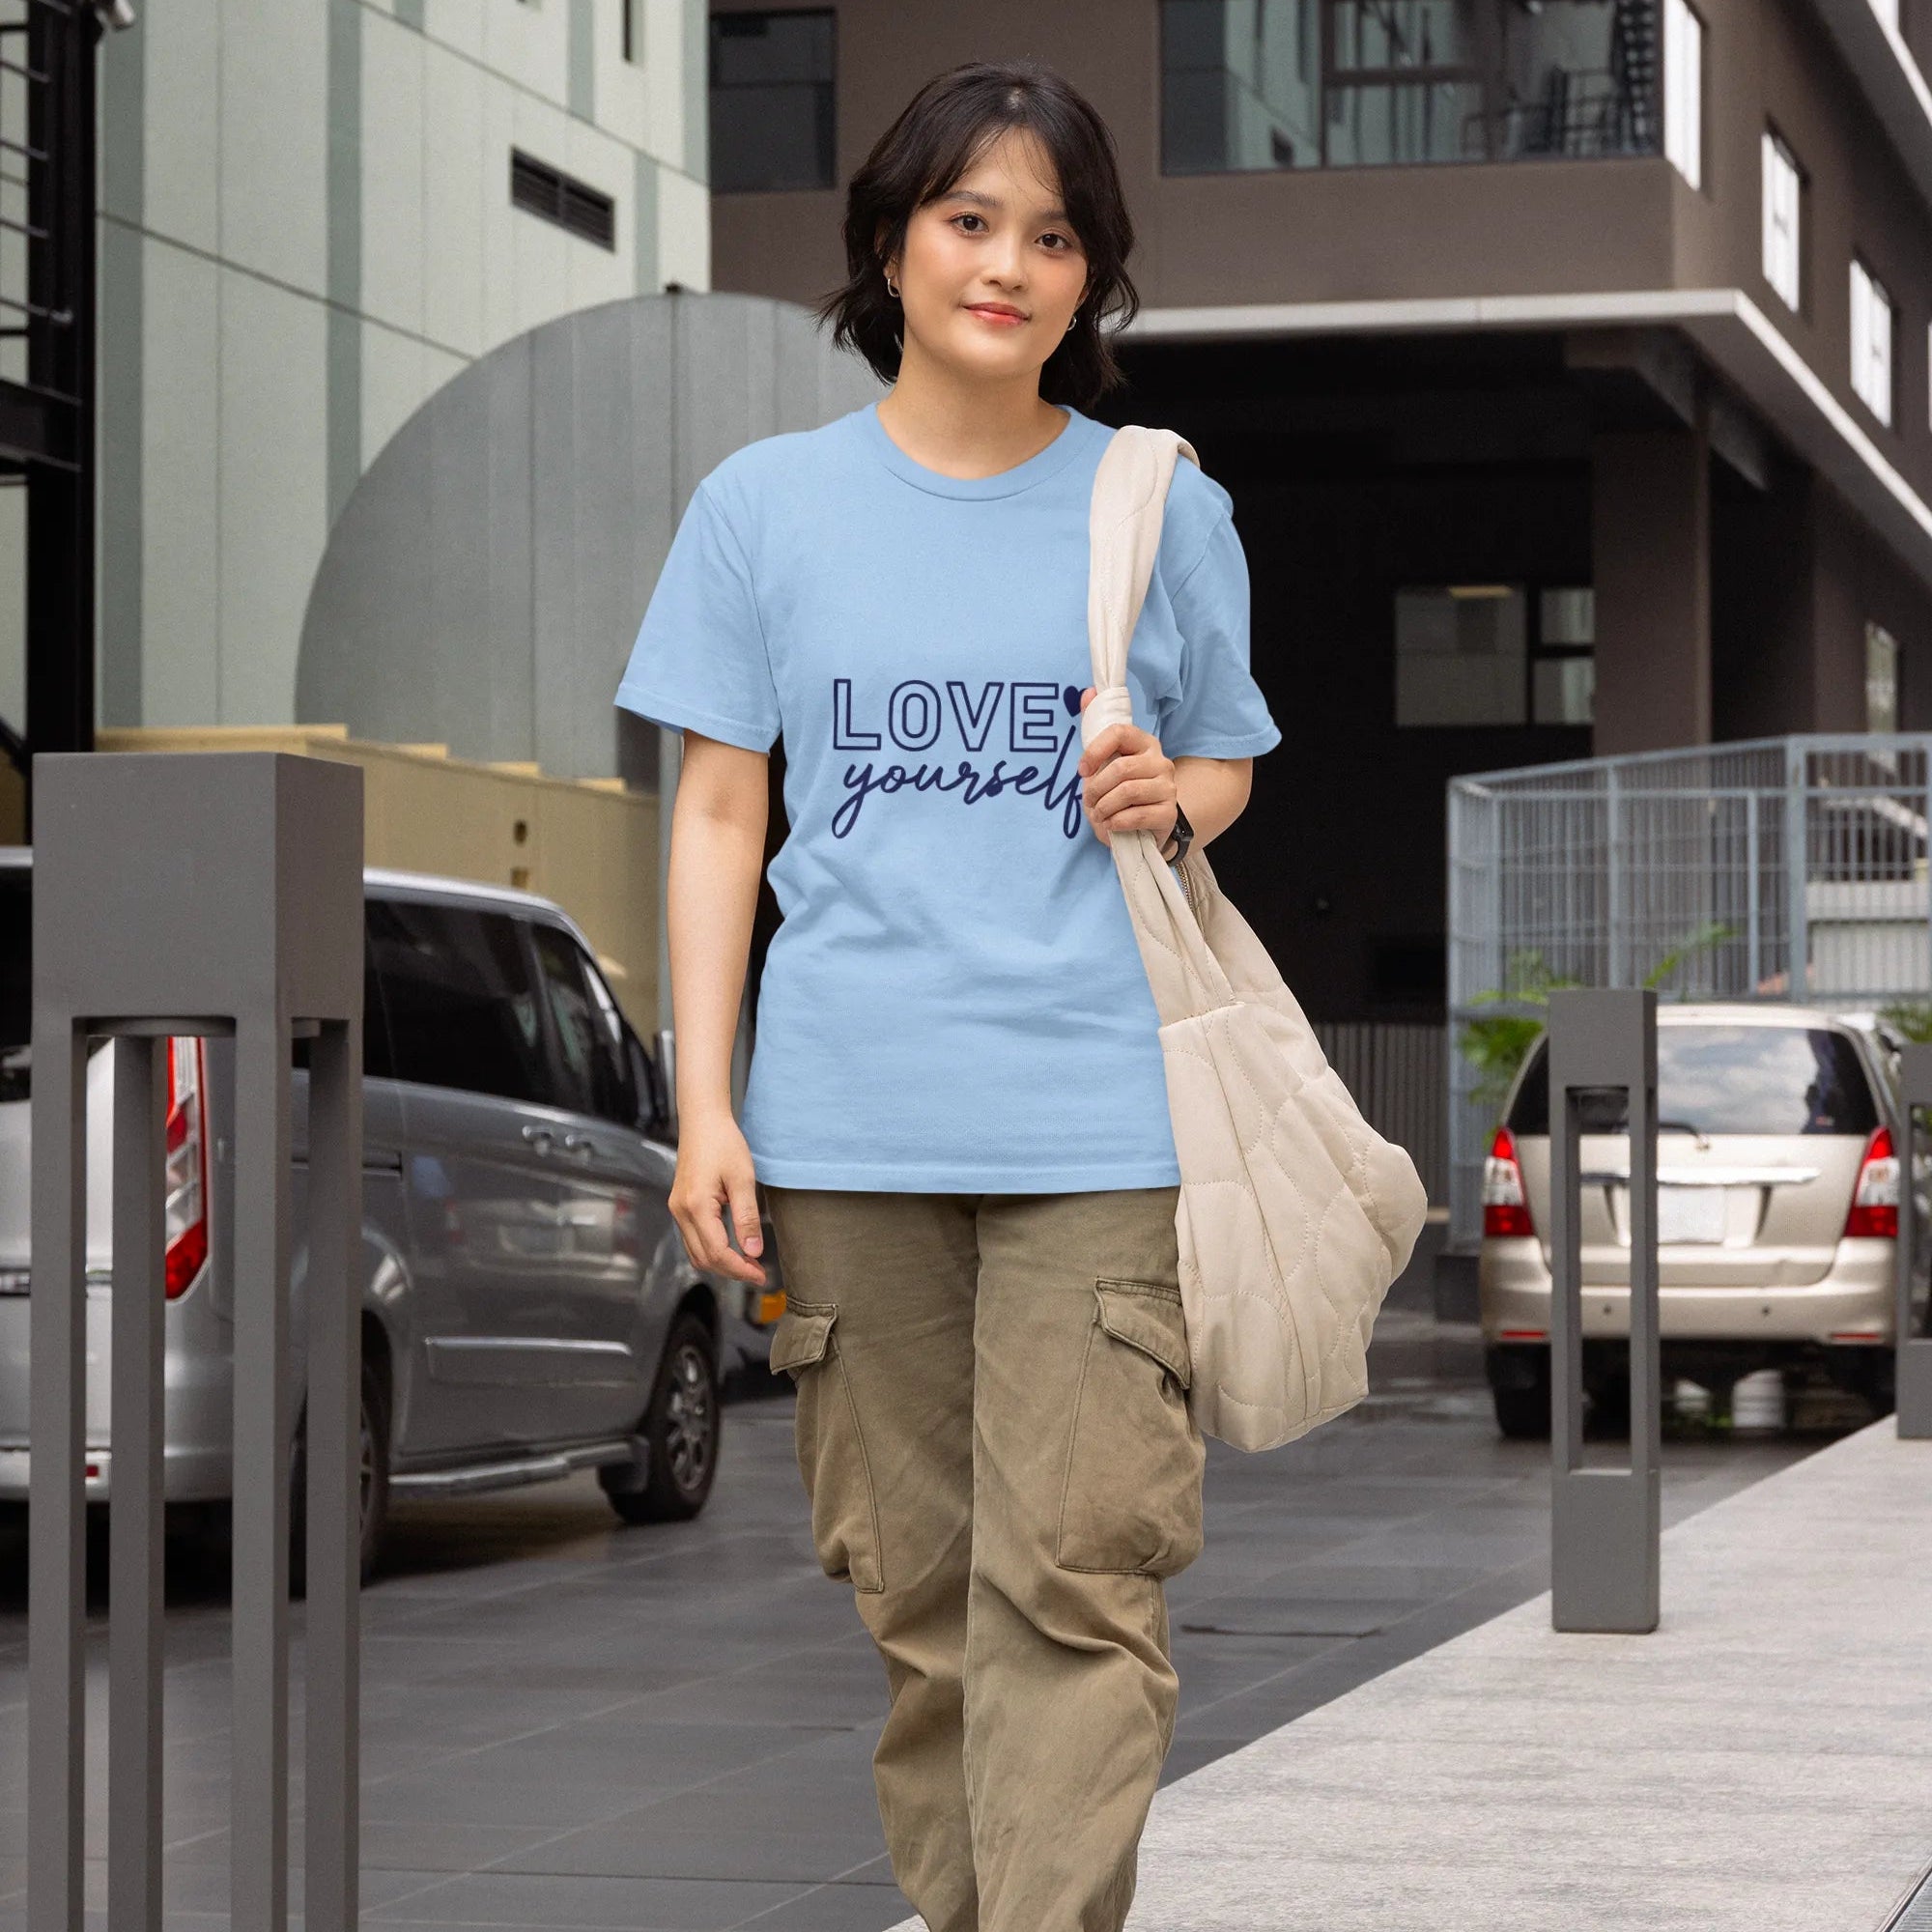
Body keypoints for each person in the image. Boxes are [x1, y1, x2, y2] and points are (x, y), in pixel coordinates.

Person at [613, 57, 1281, 1932]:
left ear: (1091, 278)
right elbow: (719, 813)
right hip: (846, 1129)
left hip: (1100, 1122)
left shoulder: (1157, 504)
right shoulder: (763, 508)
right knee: (917, 1605)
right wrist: (706, 1105)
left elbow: (1228, 762)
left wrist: (1169, 792)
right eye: (969, 220)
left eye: (1052, 236)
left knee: (1075, 1583)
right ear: (892, 244)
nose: (1006, 265)